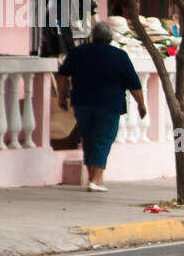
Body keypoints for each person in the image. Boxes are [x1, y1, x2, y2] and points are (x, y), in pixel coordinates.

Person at [56, 21, 147, 191]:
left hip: (82, 102)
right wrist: (141, 104)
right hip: (108, 104)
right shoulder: (118, 55)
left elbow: (62, 75)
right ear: (110, 37)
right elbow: (134, 83)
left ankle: (93, 178)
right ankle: (95, 181)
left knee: (89, 139)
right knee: (103, 139)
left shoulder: (78, 52)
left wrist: (61, 96)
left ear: (93, 36)